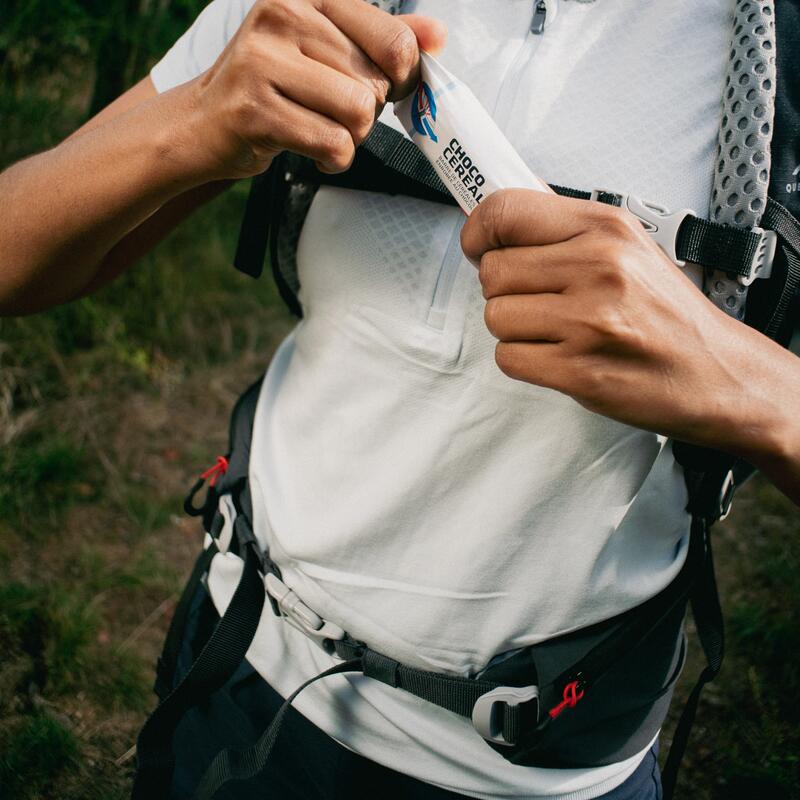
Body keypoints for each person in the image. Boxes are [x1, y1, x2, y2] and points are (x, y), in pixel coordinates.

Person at [1, 0, 798, 798]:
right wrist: (196, 120)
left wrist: (737, 374)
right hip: (237, 667)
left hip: (543, 768)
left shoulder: (772, 51)